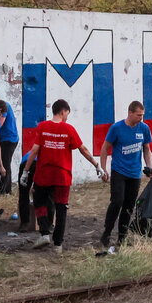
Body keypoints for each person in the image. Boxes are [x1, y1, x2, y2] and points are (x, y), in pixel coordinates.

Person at [22, 99, 103, 254]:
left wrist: (26, 171)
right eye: (67, 114)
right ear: (63, 111)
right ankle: (58, 245)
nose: (67, 117)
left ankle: (44, 233)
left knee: (39, 203)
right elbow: (83, 149)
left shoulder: (42, 127)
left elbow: (34, 150)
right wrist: (96, 165)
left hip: (43, 175)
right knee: (61, 209)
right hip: (62, 176)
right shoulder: (68, 129)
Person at [98, 101, 152, 255]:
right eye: (138, 115)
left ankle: (122, 237)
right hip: (119, 172)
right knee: (117, 202)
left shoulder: (144, 128)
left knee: (129, 206)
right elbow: (105, 148)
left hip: (135, 173)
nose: (141, 118)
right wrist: (103, 169)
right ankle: (107, 232)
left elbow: (147, 148)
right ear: (130, 113)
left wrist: (149, 166)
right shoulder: (116, 128)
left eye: (143, 115)